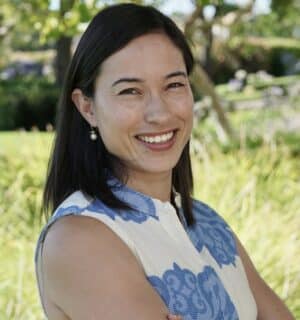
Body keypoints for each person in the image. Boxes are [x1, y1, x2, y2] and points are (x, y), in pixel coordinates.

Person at [34, 3, 294, 320]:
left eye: (173, 85)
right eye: (130, 91)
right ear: (87, 107)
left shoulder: (206, 221)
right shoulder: (80, 239)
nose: (159, 114)